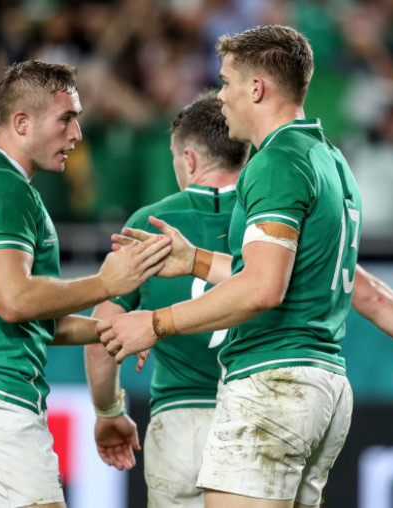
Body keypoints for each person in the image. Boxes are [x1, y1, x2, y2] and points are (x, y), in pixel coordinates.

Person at [97, 26, 393, 508]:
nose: (222, 97)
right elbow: (362, 289)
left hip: (273, 385)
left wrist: (155, 323)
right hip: (323, 388)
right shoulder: (331, 161)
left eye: (227, 82)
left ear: (256, 88)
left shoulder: (276, 162)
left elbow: (262, 289)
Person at [0, 60, 172, 508]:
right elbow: (15, 301)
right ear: (22, 122)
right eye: (66, 119)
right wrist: (105, 283)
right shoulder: (3, 187)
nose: (77, 135)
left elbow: (36, 321)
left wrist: (114, 328)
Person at [84, 90, 250, 506]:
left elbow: (101, 335)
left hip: (181, 421)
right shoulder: (267, 217)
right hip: (255, 415)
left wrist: (108, 412)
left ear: (189, 160)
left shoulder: (151, 225)